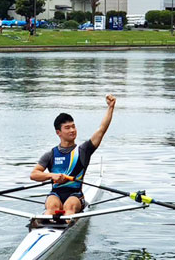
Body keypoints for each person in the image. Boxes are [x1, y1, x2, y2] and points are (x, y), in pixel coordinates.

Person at [30, 94, 117, 224]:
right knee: (51, 207)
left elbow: (101, 130)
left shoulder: (83, 150)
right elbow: (34, 175)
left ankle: (65, 223)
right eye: (67, 128)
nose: (72, 130)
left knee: (69, 207)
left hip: (75, 195)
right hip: (56, 194)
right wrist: (52, 176)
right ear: (58, 132)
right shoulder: (50, 154)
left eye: (73, 126)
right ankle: (43, 223)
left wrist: (110, 108)